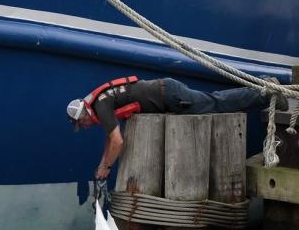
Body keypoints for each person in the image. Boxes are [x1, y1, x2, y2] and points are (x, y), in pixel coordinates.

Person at [66, 76, 273, 180]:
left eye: (81, 123)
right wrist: (102, 163)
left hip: (171, 96)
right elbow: (110, 138)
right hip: (167, 92)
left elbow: (118, 141)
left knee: (216, 102)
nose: (84, 127)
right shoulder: (100, 103)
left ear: (83, 114)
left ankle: (265, 91)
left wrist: (107, 167)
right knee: (214, 100)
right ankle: (263, 88)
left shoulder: (100, 106)